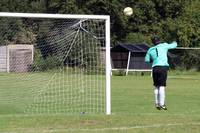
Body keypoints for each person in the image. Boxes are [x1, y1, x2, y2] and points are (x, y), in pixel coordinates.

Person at [145, 36, 177, 110]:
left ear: (153, 42)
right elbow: (174, 45)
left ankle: (156, 104)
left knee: (156, 86)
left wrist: (153, 59)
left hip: (155, 68)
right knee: (162, 86)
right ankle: (162, 104)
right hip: (163, 68)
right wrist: (175, 41)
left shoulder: (150, 49)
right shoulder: (164, 45)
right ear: (159, 41)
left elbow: (147, 60)